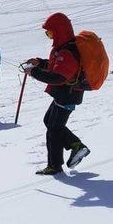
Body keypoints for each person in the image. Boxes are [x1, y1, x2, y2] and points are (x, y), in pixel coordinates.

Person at [21, 12, 90, 175]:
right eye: (48, 33)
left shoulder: (67, 51)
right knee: (50, 123)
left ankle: (55, 165)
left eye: (51, 33)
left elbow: (58, 77)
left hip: (67, 94)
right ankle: (76, 146)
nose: (49, 36)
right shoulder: (63, 48)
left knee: (53, 128)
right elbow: (56, 67)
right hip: (64, 94)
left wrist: (34, 72)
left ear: (60, 31)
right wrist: (40, 63)